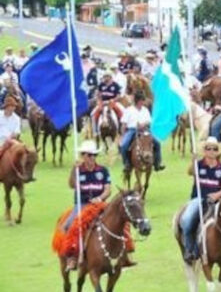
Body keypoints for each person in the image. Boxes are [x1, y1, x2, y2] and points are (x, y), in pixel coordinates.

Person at [179, 137, 221, 263]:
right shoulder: (198, 165)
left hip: (216, 201)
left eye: (214, 149)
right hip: (198, 199)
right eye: (209, 149)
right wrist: (193, 161)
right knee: (187, 221)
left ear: (217, 151)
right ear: (205, 151)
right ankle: (190, 249)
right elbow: (190, 172)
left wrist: (217, 195)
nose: (212, 151)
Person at [63, 141, 112, 270]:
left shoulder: (103, 170)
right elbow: (71, 185)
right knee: (69, 225)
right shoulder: (78, 170)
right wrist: (74, 169)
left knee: (119, 218)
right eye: (89, 155)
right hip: (82, 204)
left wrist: (100, 198)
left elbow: (108, 189)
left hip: (99, 203)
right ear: (83, 156)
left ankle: (124, 253)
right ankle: (72, 257)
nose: (92, 158)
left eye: (94, 155)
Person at [119, 93, 164, 174]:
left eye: (143, 101)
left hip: (145, 130)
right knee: (124, 145)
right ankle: (127, 164)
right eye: (142, 100)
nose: (143, 102)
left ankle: (157, 163)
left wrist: (143, 124)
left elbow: (149, 121)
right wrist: (123, 135)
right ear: (138, 101)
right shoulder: (129, 110)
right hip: (132, 130)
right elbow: (124, 124)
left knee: (157, 143)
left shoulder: (145, 110)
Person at [92, 71, 124, 135]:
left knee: (121, 111)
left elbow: (118, 96)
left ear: (110, 77)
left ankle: (121, 128)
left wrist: (113, 100)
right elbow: (98, 94)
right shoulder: (101, 85)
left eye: (107, 76)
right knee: (93, 113)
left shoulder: (115, 85)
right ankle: (95, 130)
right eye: (105, 77)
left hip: (112, 102)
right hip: (103, 102)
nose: (106, 78)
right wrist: (99, 100)